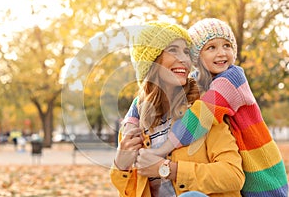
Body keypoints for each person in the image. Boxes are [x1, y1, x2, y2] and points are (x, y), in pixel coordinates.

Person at [123, 18, 288, 196]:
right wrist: (130, 124)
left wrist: (161, 153)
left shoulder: (232, 78)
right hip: (243, 161)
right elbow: (141, 100)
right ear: (197, 57)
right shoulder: (199, 82)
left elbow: (197, 118)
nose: (222, 53)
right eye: (211, 47)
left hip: (260, 163)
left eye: (227, 46)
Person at [110, 21, 245, 197]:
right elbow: (129, 192)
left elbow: (233, 175)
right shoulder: (135, 127)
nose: (184, 59)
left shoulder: (204, 106)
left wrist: (167, 169)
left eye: (186, 52)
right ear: (152, 61)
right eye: (173, 50)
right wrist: (120, 164)